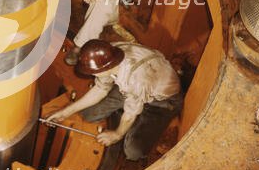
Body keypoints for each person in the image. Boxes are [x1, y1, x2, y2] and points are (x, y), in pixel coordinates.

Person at [45, 39, 182, 161]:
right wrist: (64, 112)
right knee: (88, 115)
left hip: (162, 102)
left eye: (93, 72)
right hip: (134, 89)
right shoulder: (110, 53)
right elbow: (101, 89)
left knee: (134, 151)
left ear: (106, 68)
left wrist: (117, 134)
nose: (91, 74)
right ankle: (129, 117)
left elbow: (130, 114)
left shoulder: (135, 79)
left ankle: (139, 126)